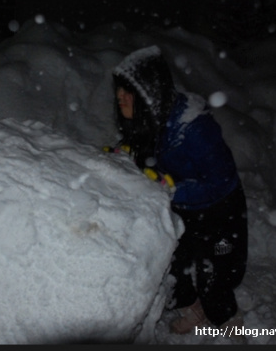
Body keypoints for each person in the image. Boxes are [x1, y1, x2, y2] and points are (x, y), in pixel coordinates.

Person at [110, 45, 248, 335]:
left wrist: (171, 190)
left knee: (214, 275)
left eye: (128, 91)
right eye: (119, 90)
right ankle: (193, 307)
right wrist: (121, 154)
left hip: (219, 210)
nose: (120, 98)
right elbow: (143, 147)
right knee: (175, 265)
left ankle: (227, 319)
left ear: (149, 92)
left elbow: (220, 181)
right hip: (182, 207)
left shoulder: (194, 128)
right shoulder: (149, 119)